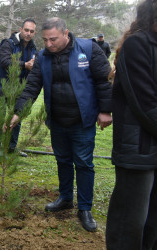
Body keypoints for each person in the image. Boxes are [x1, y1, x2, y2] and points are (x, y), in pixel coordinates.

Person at [9, 17, 112, 232]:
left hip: (82, 120)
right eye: (45, 40)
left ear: (66, 34)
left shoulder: (89, 49)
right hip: (57, 119)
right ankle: (65, 198)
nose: (48, 44)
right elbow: (32, 86)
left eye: (53, 39)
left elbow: (104, 81)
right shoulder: (43, 57)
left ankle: (84, 208)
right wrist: (19, 112)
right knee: (63, 160)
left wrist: (105, 110)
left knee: (83, 163)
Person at [106, 0, 157, 248]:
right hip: (137, 148)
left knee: (152, 223)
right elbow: (145, 104)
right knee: (130, 222)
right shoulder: (138, 45)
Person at [0, 18, 38, 157]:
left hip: (18, 88)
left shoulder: (33, 47)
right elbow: (5, 61)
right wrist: (25, 65)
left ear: (35, 33)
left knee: (17, 117)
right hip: (0, 86)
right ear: (21, 29)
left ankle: (12, 147)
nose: (28, 33)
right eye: (26, 30)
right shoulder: (8, 43)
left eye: (32, 31)